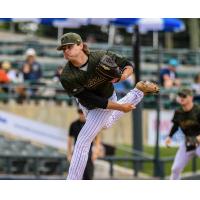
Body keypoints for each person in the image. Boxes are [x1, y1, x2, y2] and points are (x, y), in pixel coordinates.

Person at [58, 32, 159, 180]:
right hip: (89, 104)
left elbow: (127, 64)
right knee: (105, 125)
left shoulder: (99, 57)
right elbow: (91, 99)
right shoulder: (67, 76)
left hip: (107, 97)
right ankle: (137, 91)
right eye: (63, 48)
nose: (66, 50)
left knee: (82, 142)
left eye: (69, 46)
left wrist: (122, 76)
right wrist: (121, 107)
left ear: (80, 45)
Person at [165, 88, 200, 180]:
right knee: (175, 169)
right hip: (188, 143)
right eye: (180, 96)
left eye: (184, 96)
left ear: (191, 98)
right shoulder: (178, 112)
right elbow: (176, 125)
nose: (181, 98)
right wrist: (169, 137)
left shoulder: (198, 110)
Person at [67, 109, 101, 180]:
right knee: (75, 175)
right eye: (80, 112)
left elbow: (97, 138)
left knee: (88, 176)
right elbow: (70, 140)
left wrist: (96, 151)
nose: (82, 114)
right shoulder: (74, 124)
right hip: (77, 151)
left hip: (89, 152)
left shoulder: (91, 123)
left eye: (83, 112)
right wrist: (69, 154)